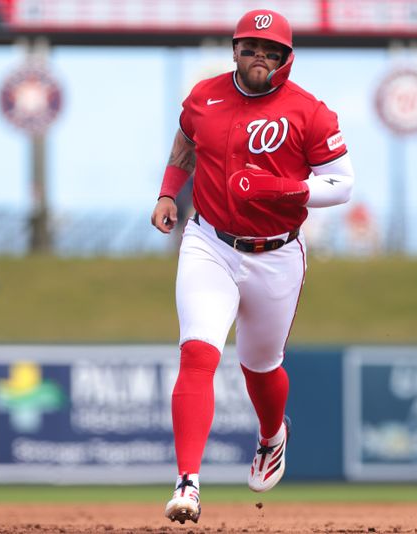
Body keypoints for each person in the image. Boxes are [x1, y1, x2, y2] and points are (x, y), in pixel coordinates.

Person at [150, 9, 355, 525]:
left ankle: (271, 436)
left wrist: (282, 188)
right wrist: (167, 193)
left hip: (277, 253)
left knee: (260, 366)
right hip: (209, 242)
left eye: (272, 50)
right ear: (235, 49)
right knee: (198, 352)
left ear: (287, 58)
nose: (260, 56)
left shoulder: (310, 112)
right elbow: (184, 142)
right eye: (250, 46)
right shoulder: (204, 96)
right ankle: (188, 484)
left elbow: (344, 183)